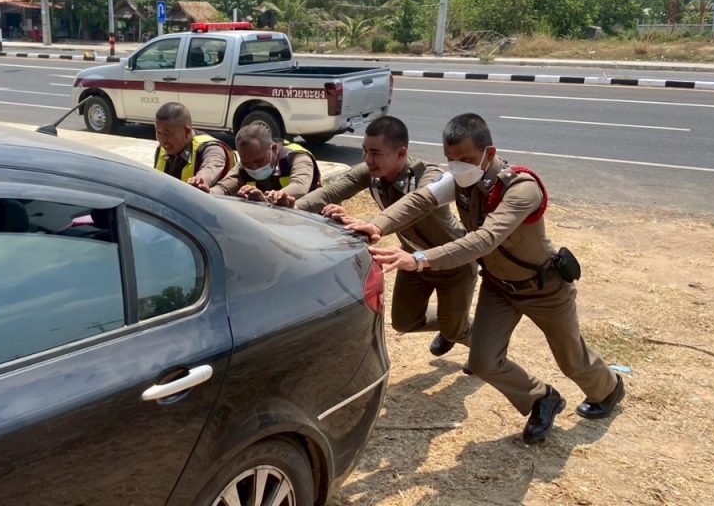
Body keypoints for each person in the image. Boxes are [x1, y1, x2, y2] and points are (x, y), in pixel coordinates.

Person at [365, 113, 625, 444]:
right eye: (451, 160)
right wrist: (376, 225)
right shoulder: (460, 181)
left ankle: (608, 389)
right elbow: (420, 200)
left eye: (465, 159)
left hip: (543, 287)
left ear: (489, 153)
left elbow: (485, 239)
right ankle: (542, 398)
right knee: (483, 361)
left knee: (572, 360)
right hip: (499, 288)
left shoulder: (521, 188)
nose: (457, 167)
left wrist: (419, 259)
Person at [294, 115, 476, 355]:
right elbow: (328, 193)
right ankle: (451, 323)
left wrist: (372, 225)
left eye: (376, 153)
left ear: (401, 154)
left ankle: (478, 343)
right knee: (404, 322)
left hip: (451, 262)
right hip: (411, 260)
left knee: (457, 331)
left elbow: (413, 206)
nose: (368, 160)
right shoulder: (371, 173)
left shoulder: (428, 177)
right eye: (365, 151)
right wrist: (290, 207)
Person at [210, 122, 321, 205]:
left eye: (259, 161)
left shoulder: (298, 157)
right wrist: (207, 193)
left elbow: (300, 186)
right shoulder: (243, 166)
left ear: (273, 149)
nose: (254, 168)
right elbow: (224, 187)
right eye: (247, 164)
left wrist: (268, 198)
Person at [153, 102, 234, 191]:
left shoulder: (211, 148)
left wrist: (200, 180)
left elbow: (212, 165)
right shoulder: (163, 148)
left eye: (167, 134)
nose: (163, 140)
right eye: (159, 132)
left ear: (187, 132)